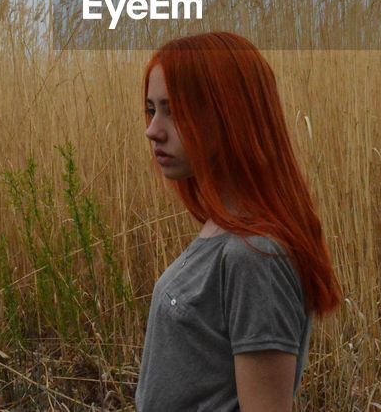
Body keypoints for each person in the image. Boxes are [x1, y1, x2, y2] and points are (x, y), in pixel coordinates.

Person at [135, 31, 343, 411]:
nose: (153, 130)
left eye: (173, 110)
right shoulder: (226, 232)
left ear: (229, 115)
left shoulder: (256, 255)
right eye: (152, 109)